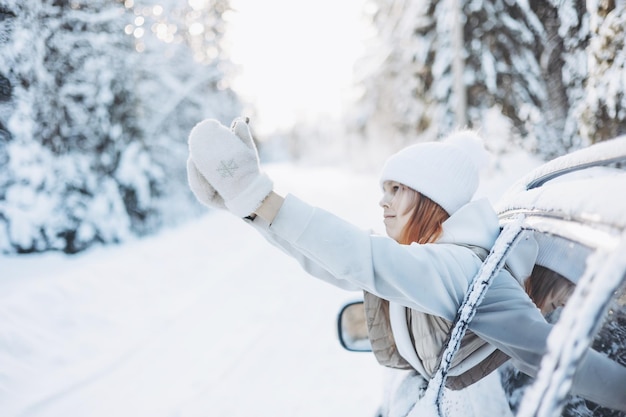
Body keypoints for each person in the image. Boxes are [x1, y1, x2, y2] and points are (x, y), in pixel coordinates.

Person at [186, 117, 626, 414]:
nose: (383, 200)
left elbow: (360, 257)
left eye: (397, 189)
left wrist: (261, 197)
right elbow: (333, 265)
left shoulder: (461, 269)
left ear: (431, 199)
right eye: (384, 188)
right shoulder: (436, 261)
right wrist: (250, 211)